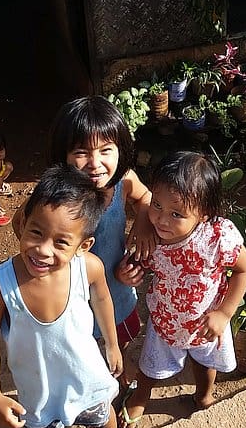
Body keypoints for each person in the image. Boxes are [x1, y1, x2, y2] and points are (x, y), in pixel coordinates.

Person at [0, 164, 123, 428]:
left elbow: (102, 299)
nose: (42, 250)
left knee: (101, 412)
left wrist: (111, 343)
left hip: (85, 376)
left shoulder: (89, 268)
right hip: (37, 387)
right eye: (36, 233)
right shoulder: (3, 283)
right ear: (23, 223)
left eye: (60, 242)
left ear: (83, 246)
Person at [13, 95, 156, 385]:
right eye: (81, 152)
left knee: (117, 344)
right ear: (62, 154)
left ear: (121, 149)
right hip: (71, 300)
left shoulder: (123, 182)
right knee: (80, 356)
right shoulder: (51, 199)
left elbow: (145, 197)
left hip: (115, 291)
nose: (95, 163)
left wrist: (141, 223)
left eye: (106, 150)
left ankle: (118, 377)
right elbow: (23, 228)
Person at [117, 151, 246, 428]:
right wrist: (124, 274)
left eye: (176, 214)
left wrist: (224, 313)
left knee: (206, 365)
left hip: (206, 323)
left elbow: (244, 270)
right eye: (156, 205)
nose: (162, 219)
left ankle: (203, 395)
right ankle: (141, 397)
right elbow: (133, 264)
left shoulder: (217, 238)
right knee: (150, 367)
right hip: (165, 321)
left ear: (203, 214)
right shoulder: (150, 236)